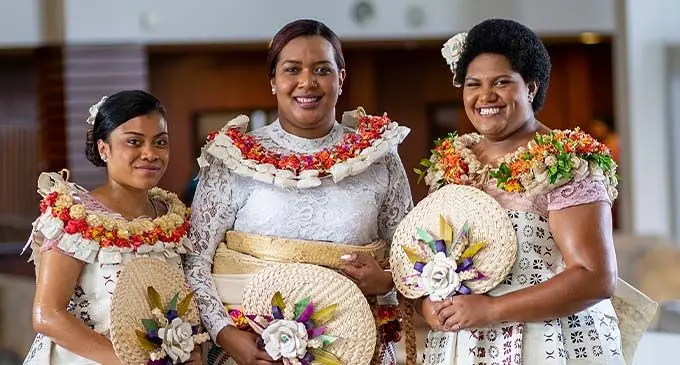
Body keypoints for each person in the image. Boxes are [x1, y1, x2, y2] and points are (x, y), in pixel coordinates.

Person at [184, 19, 413, 365]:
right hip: (253, 351)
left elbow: (412, 256)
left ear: (341, 79)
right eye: (292, 69)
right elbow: (195, 260)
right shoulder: (232, 157)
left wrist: (385, 281)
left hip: (357, 347)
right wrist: (226, 336)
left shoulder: (379, 156)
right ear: (273, 81)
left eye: (322, 69)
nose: (307, 82)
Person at [416, 19, 624, 364]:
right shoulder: (449, 165)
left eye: (501, 82)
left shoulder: (565, 161)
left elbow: (595, 277)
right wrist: (427, 305)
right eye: (474, 84)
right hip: (461, 347)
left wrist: (492, 309)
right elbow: (426, 260)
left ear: (530, 87)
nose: (486, 96)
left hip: (550, 343)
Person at [23, 90, 201, 364]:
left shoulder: (173, 216)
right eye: (134, 142)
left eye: (160, 142)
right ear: (103, 148)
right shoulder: (74, 215)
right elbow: (48, 315)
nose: (150, 154)